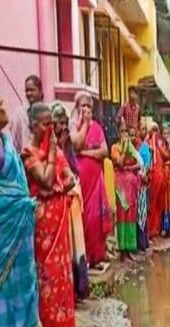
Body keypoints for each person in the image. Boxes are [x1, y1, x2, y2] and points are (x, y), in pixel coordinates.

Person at [0, 88, 40, 327]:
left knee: (17, 280)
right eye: (1, 103)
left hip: (16, 222)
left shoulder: (4, 138)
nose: (6, 108)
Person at [23, 103, 76, 327]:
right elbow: (44, 179)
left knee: (62, 271)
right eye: (45, 124)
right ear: (34, 125)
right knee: (45, 274)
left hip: (60, 217)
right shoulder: (28, 152)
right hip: (42, 223)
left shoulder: (54, 152)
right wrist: (53, 154)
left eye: (51, 124)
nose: (50, 129)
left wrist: (53, 188)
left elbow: (69, 178)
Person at [52, 102, 88, 299]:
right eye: (59, 123)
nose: (63, 128)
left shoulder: (67, 146)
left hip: (72, 199)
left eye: (66, 123)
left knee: (76, 247)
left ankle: (78, 289)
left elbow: (73, 171)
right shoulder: (49, 147)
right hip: (57, 204)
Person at [71, 91, 111, 270]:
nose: (86, 109)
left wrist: (86, 153)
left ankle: (97, 255)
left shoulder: (98, 128)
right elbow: (76, 145)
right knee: (82, 217)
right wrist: (84, 124)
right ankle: (83, 257)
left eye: (88, 106)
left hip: (95, 180)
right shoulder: (73, 126)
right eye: (82, 105)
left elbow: (104, 151)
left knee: (96, 217)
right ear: (77, 108)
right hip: (81, 181)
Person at [111, 123, 142, 260]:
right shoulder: (115, 148)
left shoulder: (132, 147)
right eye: (122, 131)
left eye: (126, 132)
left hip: (131, 187)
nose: (124, 134)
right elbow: (121, 163)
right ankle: (122, 251)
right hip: (121, 186)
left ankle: (129, 249)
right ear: (118, 133)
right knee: (122, 217)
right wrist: (125, 150)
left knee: (131, 217)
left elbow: (138, 163)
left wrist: (131, 168)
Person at [8, 75, 44, 154]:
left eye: (32, 90)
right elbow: (13, 141)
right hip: (23, 158)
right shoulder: (18, 113)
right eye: (27, 90)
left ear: (40, 92)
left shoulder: (46, 113)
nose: (29, 93)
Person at [136, 126, 152, 251]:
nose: (143, 132)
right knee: (137, 213)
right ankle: (140, 242)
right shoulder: (133, 147)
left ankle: (143, 242)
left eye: (144, 130)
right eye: (142, 129)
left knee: (143, 212)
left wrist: (144, 176)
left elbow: (147, 165)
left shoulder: (145, 148)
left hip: (142, 183)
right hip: (134, 184)